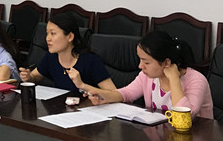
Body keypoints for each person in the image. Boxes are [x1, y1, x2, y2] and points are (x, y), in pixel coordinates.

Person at [76, 30, 214, 118]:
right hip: (163, 138)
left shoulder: (196, 80)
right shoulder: (148, 76)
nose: (140, 66)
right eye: (140, 60)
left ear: (166, 62)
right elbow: (126, 93)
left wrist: (173, 78)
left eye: (146, 62)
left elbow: (186, 115)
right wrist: (102, 95)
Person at [19, 13, 116, 94]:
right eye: (47, 33)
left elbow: (114, 94)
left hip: (88, 108)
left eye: (53, 33)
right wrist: (28, 77)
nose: (47, 38)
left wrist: (83, 85)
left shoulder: (90, 60)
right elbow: (35, 77)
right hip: (60, 108)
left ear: (70, 37)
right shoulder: (51, 56)